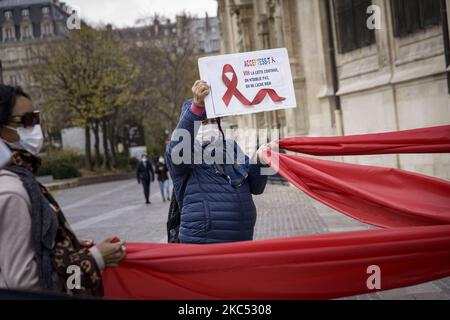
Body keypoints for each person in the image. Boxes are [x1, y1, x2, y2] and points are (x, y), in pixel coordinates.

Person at [0, 85, 126, 297]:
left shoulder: (22, 179)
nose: (35, 128)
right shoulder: (12, 193)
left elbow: (40, 255)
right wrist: (94, 259)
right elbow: (25, 286)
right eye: (28, 120)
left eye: (37, 119)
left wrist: (70, 250)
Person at [166, 80, 270, 244]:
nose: (209, 125)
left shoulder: (232, 148)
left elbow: (256, 187)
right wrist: (197, 107)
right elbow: (179, 146)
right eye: (203, 122)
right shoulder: (185, 155)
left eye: (213, 121)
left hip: (241, 241)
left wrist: (260, 161)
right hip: (203, 244)